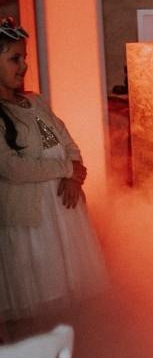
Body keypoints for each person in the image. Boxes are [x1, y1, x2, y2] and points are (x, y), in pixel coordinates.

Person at [0, 20, 109, 320]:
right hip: (31, 221)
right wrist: (66, 170)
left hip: (63, 210)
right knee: (40, 294)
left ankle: (75, 343)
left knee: (72, 297)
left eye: (24, 58)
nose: (23, 66)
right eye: (14, 59)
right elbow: (11, 167)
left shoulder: (35, 101)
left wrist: (73, 175)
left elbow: (67, 142)